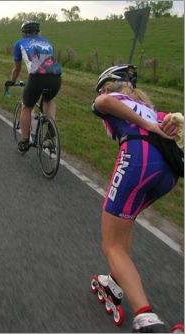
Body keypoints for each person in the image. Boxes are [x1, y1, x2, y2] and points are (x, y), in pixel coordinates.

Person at [91, 64, 181, 333]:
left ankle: (145, 316)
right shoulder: (152, 109)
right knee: (125, 223)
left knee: (111, 244)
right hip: (166, 172)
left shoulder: (110, 97)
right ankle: (115, 280)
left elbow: (103, 102)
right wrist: (155, 123)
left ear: (107, 86)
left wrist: (145, 125)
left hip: (137, 160)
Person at [5, 21, 62, 153]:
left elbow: (17, 68)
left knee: (26, 107)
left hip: (37, 77)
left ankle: (25, 140)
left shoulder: (20, 43)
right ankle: (51, 126)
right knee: (48, 100)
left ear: (24, 33)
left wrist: (12, 81)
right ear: (38, 32)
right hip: (56, 77)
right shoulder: (47, 42)